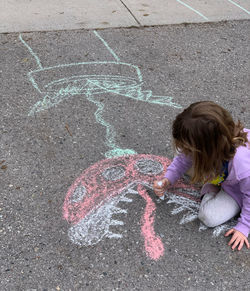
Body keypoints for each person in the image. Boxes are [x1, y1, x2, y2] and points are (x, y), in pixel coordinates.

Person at [154, 101, 250, 251]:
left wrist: (244, 226)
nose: (185, 149)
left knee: (209, 217)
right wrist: (168, 178)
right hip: (224, 171)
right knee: (182, 158)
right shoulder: (216, 141)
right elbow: (183, 158)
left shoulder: (243, 167)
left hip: (239, 191)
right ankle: (214, 179)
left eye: (189, 147)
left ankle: (212, 187)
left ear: (207, 148)